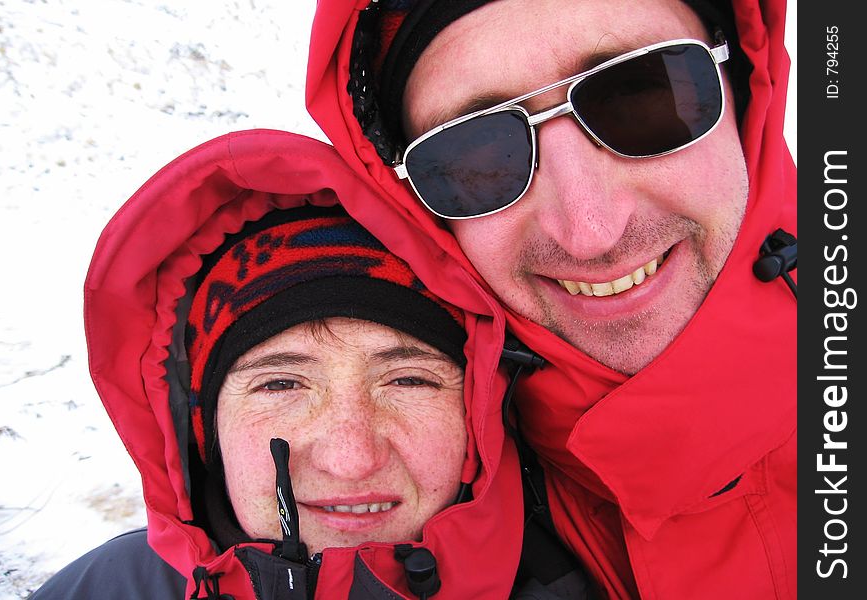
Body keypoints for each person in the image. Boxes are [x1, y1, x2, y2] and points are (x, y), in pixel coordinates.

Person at [305, 0, 797, 598]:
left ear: (743, 86)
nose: (591, 232)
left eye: (641, 95)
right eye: (476, 156)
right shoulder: (402, 525)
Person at [32, 131, 591, 599]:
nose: (351, 460)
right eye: (280, 382)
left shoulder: (589, 580)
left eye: (408, 379)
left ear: (477, 410)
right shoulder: (106, 588)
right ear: (205, 428)